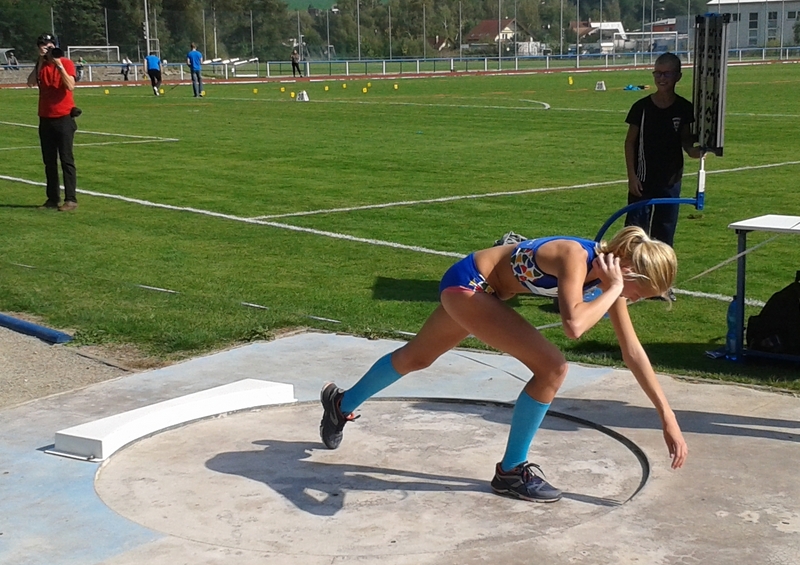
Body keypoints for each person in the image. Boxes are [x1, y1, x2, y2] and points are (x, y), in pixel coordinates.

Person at [319, 226, 688, 503]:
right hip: (470, 285)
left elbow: (633, 352)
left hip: (482, 292)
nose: (636, 300)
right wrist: (614, 289)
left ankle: (340, 403)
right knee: (553, 367)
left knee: (417, 357)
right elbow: (574, 326)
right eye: (641, 293)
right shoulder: (576, 257)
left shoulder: (610, 282)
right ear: (627, 269)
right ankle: (511, 471)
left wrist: (667, 417)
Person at [624, 52, 701, 302]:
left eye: (667, 73)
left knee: (664, 234)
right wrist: (632, 176)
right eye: (657, 73)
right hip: (643, 180)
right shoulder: (642, 108)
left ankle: (660, 285)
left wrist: (696, 151)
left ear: (678, 76)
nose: (661, 77)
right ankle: (626, 282)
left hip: (671, 181)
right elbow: (630, 142)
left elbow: (686, 141)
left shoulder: (684, 108)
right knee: (635, 233)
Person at [26, 33, 78, 212]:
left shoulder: (66, 63)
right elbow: (30, 83)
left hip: (63, 117)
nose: (46, 48)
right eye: (43, 45)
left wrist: (58, 64)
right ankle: (52, 198)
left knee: (66, 159)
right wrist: (40, 62)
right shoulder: (40, 65)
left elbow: (70, 85)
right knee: (49, 161)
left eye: (49, 45)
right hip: (45, 117)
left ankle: (71, 199)